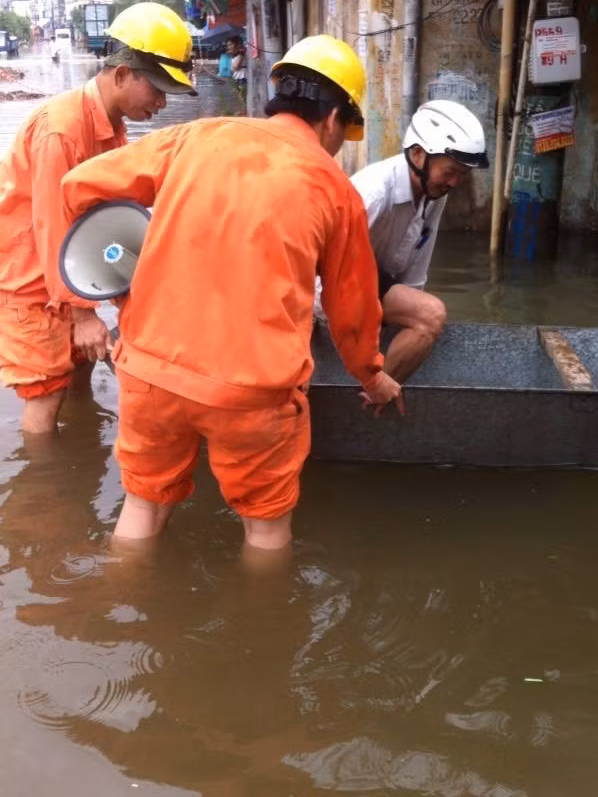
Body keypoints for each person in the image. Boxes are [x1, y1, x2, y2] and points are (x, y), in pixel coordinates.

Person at [59, 34, 403, 553]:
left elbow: (78, 187)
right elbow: (352, 312)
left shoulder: (195, 137)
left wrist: (129, 262)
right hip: (252, 392)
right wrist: (373, 377)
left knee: (143, 507)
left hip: (150, 372)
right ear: (333, 119)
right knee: (265, 527)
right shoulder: (335, 189)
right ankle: (264, 628)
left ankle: (118, 607)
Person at [0, 1, 196, 434]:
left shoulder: (113, 127)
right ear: (122, 74)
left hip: (70, 277)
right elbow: (53, 224)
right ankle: (47, 494)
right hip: (32, 283)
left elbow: (109, 219)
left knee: (81, 370)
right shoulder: (62, 130)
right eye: (159, 90)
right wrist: (85, 315)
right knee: (45, 391)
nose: (163, 104)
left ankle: (84, 446)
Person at [349, 99, 488, 382]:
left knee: (425, 313)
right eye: (450, 171)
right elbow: (329, 268)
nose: (454, 183)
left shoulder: (433, 194)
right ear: (417, 155)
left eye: (461, 175)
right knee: (430, 313)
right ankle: (373, 391)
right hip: (340, 285)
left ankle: (373, 394)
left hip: (374, 284)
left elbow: (413, 279)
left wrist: (406, 314)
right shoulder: (373, 193)